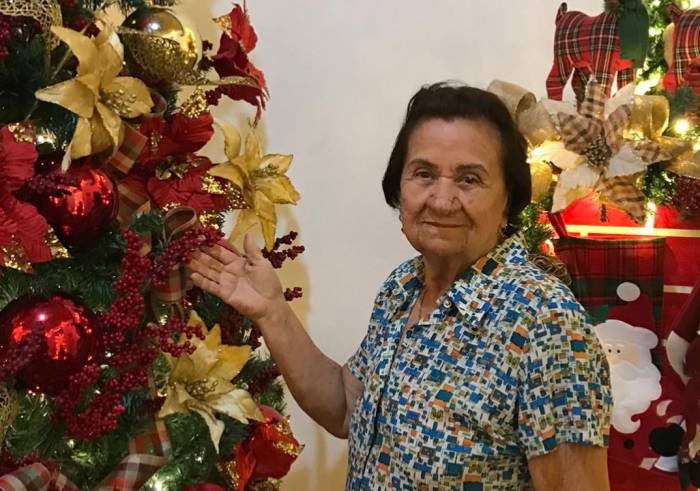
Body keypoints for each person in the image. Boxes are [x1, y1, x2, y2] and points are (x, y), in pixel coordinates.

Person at [189, 82, 612, 490]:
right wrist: (272, 311)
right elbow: (345, 407)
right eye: (423, 174)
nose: (441, 200)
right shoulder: (403, 287)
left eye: (469, 179)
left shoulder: (546, 324)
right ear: (400, 188)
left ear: (508, 199)